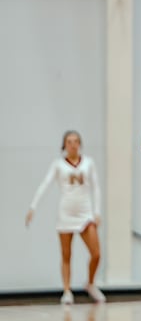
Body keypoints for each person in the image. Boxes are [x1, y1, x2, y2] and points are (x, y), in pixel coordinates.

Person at [26, 130, 104, 305]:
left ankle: (90, 283)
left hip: (85, 215)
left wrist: (97, 212)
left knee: (96, 253)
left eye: (76, 141)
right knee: (66, 255)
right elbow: (45, 184)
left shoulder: (89, 163)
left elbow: (96, 187)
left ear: (80, 144)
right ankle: (67, 291)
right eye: (69, 141)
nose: (73, 144)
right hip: (66, 214)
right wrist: (33, 207)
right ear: (64, 145)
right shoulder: (58, 164)